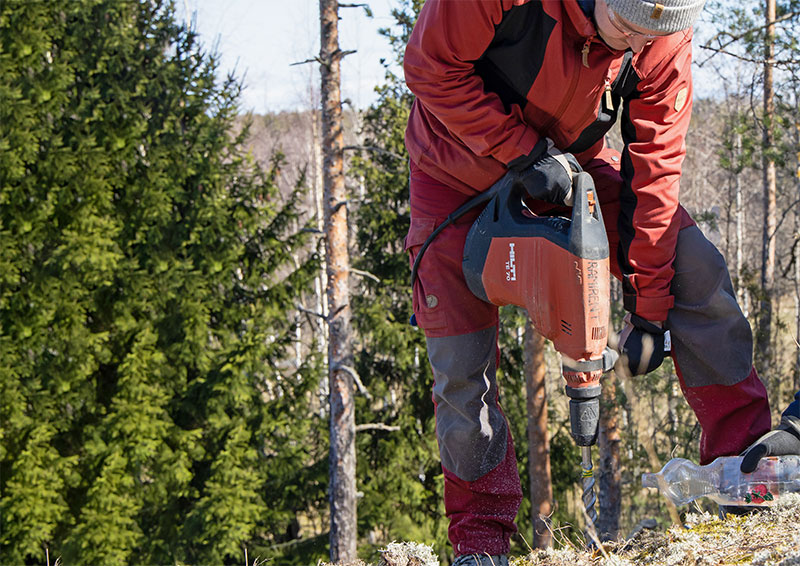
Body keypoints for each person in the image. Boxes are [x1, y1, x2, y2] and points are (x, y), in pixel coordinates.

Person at [402, 0, 799, 563]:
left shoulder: (663, 34)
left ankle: (746, 471)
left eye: (653, 35)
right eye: (631, 26)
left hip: (572, 172)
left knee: (696, 268)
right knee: (462, 374)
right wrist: (521, 151)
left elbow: (656, 171)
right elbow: (429, 69)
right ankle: (480, 543)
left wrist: (650, 308)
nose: (640, 45)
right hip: (453, 174)